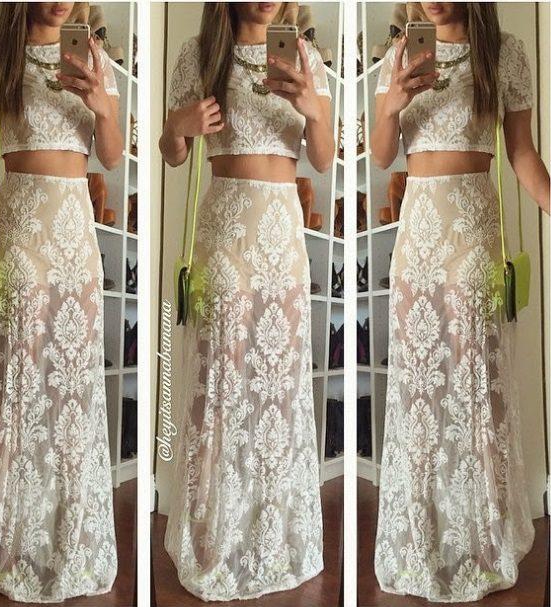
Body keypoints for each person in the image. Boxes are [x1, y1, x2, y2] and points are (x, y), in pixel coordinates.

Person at [370, 2, 550, 602]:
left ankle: (479, 541)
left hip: (473, 229)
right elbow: (380, 155)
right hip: (418, 230)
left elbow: (521, 153)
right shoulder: (400, 53)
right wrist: (392, 101)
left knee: (474, 388)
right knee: (421, 390)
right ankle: (423, 541)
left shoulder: (505, 52)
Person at [0, 2, 123, 602]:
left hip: (75, 234)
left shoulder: (93, 55)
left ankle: (67, 541)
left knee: (71, 391)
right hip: (20, 232)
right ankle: (11, 541)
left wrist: (101, 104)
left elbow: (112, 156)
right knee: (17, 390)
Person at [159, 1, 335, 601]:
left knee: (278, 386)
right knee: (222, 383)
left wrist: (312, 107)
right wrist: (177, 126)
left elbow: (323, 158)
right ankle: (214, 536)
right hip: (225, 230)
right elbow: (173, 153)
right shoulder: (199, 55)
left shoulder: (305, 56)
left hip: (283, 232)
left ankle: (271, 535)